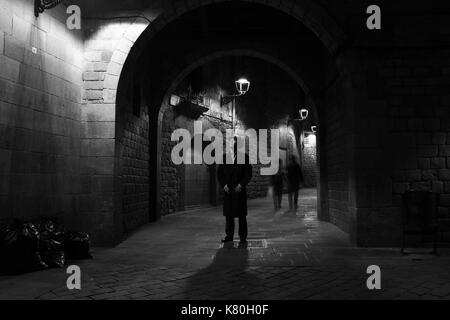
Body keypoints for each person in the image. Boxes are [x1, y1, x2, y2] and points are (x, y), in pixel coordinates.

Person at [217, 137, 253, 244]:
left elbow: (248, 173)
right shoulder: (225, 157)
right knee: (229, 215)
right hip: (228, 191)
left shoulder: (244, 157)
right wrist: (224, 185)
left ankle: (242, 236)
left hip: (239, 191)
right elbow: (220, 173)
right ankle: (229, 235)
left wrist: (241, 185)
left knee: (241, 215)